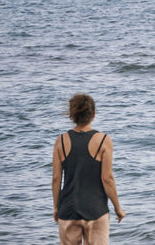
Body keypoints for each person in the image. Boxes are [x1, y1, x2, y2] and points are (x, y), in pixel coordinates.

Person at [52, 93, 126, 245]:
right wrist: (117, 208)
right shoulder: (104, 140)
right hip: (96, 210)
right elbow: (107, 178)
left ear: (72, 115)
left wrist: (56, 207)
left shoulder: (61, 141)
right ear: (93, 114)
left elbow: (56, 178)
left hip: (68, 211)